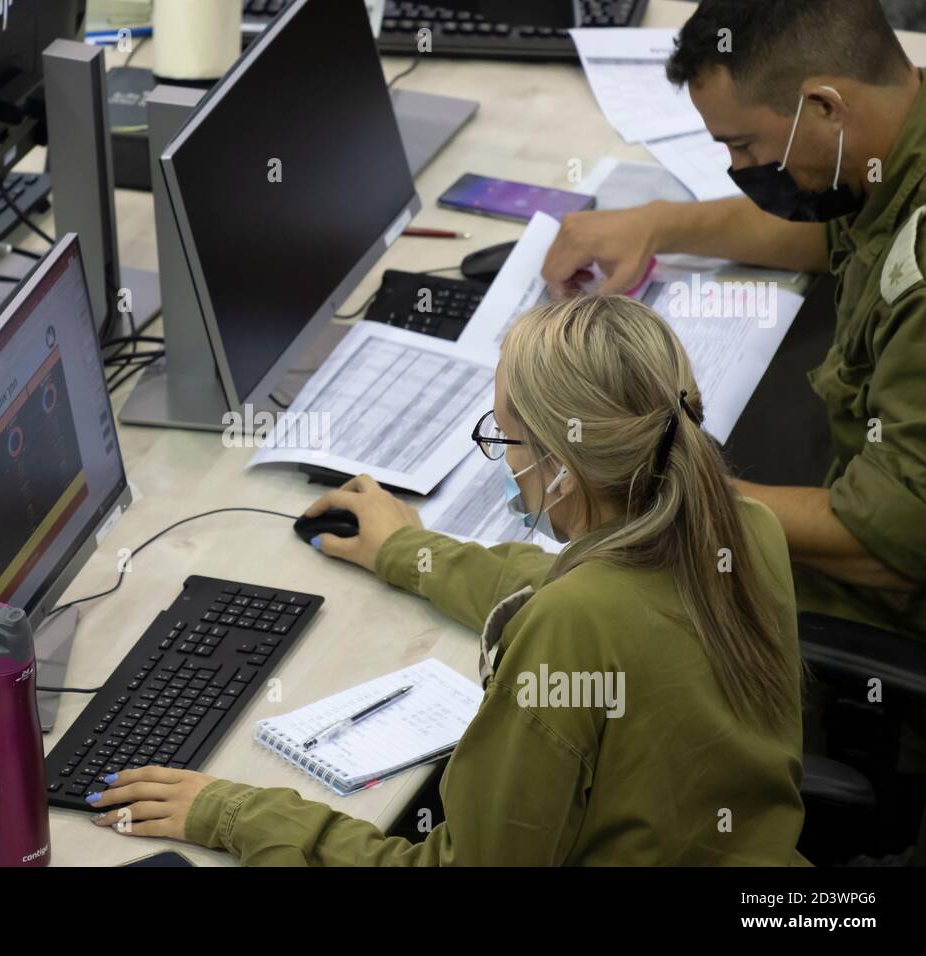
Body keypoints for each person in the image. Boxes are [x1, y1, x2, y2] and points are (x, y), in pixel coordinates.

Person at [86, 296, 807, 865]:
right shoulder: (741, 526)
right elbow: (561, 581)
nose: (505, 460)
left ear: (560, 461)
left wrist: (237, 814)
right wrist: (411, 553)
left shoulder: (571, 627)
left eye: (504, 438)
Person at [542, 0, 926, 640]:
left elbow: (893, 539)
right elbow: (839, 231)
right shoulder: (892, 138)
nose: (740, 171)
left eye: (745, 144)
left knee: (591, 615)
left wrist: (644, 492)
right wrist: (657, 223)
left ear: (826, 107)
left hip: (885, 606)